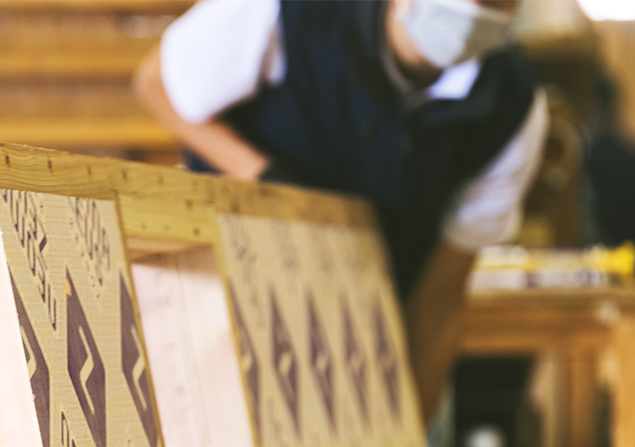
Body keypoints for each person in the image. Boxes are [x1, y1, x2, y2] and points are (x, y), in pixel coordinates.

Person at [135, 0, 549, 422]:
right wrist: (262, 175)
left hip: (362, 344)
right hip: (228, 315)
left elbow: (440, 296)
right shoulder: (283, 11)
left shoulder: (513, 110)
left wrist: (408, 436)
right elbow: (158, 83)